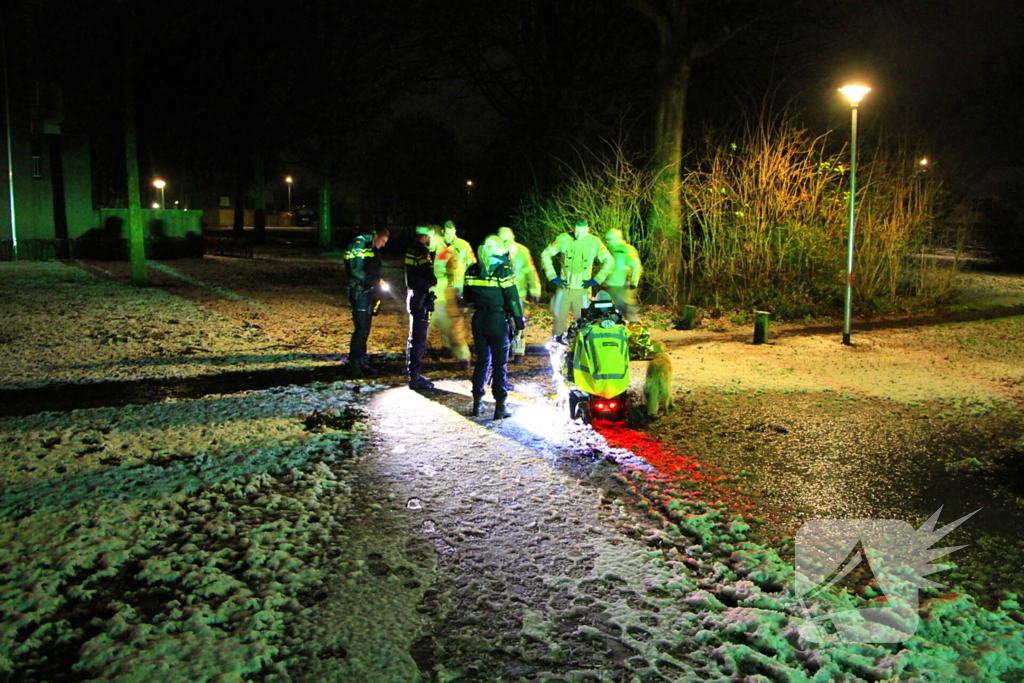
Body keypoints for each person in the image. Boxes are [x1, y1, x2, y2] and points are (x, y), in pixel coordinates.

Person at [463, 234, 524, 420]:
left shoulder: (472, 269)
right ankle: (500, 406)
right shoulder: (504, 270)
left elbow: (467, 298)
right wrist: (519, 323)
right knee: (499, 364)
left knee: (482, 361)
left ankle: (477, 402)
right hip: (497, 320)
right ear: (499, 249)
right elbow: (513, 299)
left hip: (479, 319)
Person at [540, 218, 613, 341]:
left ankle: (580, 346)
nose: (579, 235)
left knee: (583, 320)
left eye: (583, 232)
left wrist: (597, 279)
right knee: (559, 319)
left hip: (583, 291)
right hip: (564, 288)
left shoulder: (595, 242)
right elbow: (546, 254)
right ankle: (557, 344)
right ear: (573, 229)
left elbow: (609, 261)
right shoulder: (563, 239)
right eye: (577, 232)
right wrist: (552, 276)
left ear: (588, 230)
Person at [427, 221, 475, 369]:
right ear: (443, 233)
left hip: (455, 290)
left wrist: (467, 288)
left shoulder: (463, 245)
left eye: (453, 233)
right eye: (448, 234)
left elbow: (472, 264)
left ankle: (464, 357)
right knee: (427, 325)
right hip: (436, 290)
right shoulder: (435, 242)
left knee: (455, 326)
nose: (450, 237)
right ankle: (417, 358)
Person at [344, 227, 389, 378]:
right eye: (383, 241)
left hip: (368, 292)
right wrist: (374, 280)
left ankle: (361, 362)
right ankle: (355, 363)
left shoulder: (370, 246)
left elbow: (371, 268)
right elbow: (356, 270)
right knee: (361, 329)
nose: (383, 245)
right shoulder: (359, 244)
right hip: (359, 292)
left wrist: (377, 282)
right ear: (376, 236)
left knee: (365, 329)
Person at [498, 226, 541, 364]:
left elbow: (530, 271)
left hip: (518, 296)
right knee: (501, 325)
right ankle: (503, 350)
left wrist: (535, 290)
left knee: (519, 324)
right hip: (501, 296)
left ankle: (518, 352)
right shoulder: (495, 251)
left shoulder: (522, 251)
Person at [405, 226, 438, 390]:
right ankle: (415, 377)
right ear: (425, 236)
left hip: (412, 295)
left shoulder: (410, 248)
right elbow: (428, 275)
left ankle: (413, 373)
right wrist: (433, 280)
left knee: (413, 336)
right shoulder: (422, 251)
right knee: (419, 338)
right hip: (420, 297)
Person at [604, 228, 643, 321]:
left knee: (628, 311)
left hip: (624, 287)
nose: (608, 242)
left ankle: (636, 331)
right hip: (611, 286)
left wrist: (633, 282)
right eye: (607, 239)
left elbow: (636, 267)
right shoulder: (610, 251)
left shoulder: (627, 249)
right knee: (612, 313)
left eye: (610, 239)